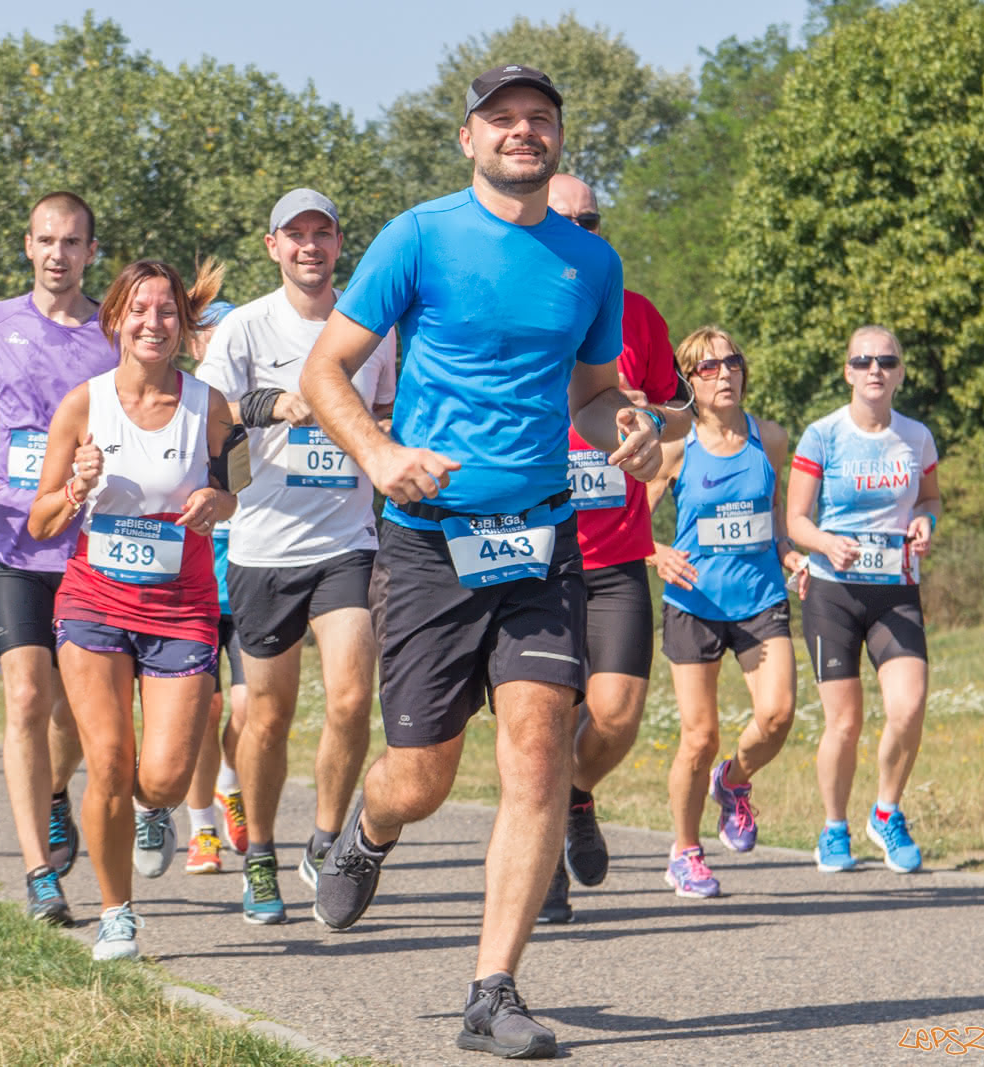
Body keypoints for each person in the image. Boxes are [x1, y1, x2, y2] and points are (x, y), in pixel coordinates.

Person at [300, 66, 664, 1059]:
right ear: (468, 138)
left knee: (541, 743)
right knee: (420, 772)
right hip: (428, 539)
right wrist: (378, 456)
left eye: (539, 119)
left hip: (540, 538)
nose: (521, 132)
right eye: (501, 120)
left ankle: (492, 988)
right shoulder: (418, 236)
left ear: (558, 140)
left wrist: (623, 425)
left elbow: (591, 393)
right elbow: (323, 369)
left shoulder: (589, 265)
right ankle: (363, 831)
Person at [28, 256, 237, 960]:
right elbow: (41, 524)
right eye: (140, 310)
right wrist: (75, 489)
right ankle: (117, 912)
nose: (154, 322)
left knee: (164, 777)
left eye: (168, 311)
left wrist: (218, 501)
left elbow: (237, 491)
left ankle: (155, 812)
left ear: (184, 324)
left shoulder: (211, 407)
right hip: (94, 601)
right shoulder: (84, 405)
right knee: (110, 759)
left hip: (181, 606)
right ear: (115, 319)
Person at [196, 188, 397, 923]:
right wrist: (274, 405)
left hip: (346, 539)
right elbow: (207, 413)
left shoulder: (373, 326)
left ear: (340, 243)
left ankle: (324, 839)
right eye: (295, 236)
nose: (310, 246)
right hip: (261, 545)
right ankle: (258, 855)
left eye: (323, 233)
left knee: (350, 695)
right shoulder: (247, 327)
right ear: (272, 246)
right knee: (268, 717)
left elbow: (382, 411)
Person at [0, 191, 119, 921]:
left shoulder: (113, 329)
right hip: (12, 539)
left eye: (72, 242)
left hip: (89, 543)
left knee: (76, 712)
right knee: (26, 698)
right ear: (27, 245)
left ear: (90, 252)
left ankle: (52, 792)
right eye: (46, 240)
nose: (57, 254)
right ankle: (40, 874)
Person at [540, 173, 691, 923]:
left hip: (617, 554)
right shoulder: (513, 304)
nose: (579, 231)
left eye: (590, 220)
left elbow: (684, 418)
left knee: (618, 712)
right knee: (541, 718)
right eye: (563, 218)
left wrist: (645, 418)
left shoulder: (636, 315)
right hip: (532, 554)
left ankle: (574, 796)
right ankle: (542, 874)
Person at [645, 327, 806, 897]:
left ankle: (733, 783)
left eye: (731, 363)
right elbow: (631, 519)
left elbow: (774, 509)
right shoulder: (672, 447)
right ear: (689, 381)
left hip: (761, 598)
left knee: (778, 715)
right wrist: (656, 553)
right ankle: (685, 852)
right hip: (694, 602)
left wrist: (789, 552)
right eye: (708, 368)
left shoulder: (774, 438)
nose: (724, 374)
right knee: (698, 735)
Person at [786, 325, 941, 875]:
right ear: (847, 371)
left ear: (900, 371)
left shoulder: (916, 437)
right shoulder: (822, 436)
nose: (874, 369)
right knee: (844, 724)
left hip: (896, 589)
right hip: (834, 591)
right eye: (862, 361)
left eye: (886, 360)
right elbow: (796, 521)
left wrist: (924, 522)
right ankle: (833, 828)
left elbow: (929, 499)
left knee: (908, 707)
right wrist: (827, 542)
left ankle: (886, 812)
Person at [180, 299, 249, 876]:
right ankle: (200, 827)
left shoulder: (243, 408)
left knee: (251, 708)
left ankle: (231, 787)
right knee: (205, 709)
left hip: (248, 575)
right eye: (213, 334)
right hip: (196, 586)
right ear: (196, 342)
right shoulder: (179, 404)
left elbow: (249, 488)